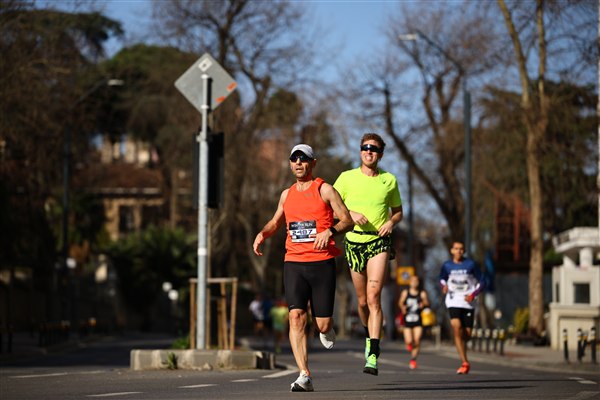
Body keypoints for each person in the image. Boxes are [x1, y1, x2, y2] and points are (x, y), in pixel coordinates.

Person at [253, 143, 354, 392]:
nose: (298, 163)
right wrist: (262, 234)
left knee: (322, 324)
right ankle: (304, 374)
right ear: (290, 164)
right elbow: (275, 221)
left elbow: (347, 220)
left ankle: (326, 329)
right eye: (294, 159)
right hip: (294, 263)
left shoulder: (325, 190)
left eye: (303, 158)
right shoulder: (286, 194)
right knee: (295, 317)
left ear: (313, 163)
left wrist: (329, 231)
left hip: (321, 263)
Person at [333, 133, 403, 376]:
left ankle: (373, 352)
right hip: (354, 242)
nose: (369, 151)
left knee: (374, 297)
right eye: (365, 147)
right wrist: (350, 214)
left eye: (374, 148)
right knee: (362, 301)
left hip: (379, 242)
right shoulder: (346, 178)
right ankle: (367, 334)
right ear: (360, 151)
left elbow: (398, 212)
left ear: (380, 154)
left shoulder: (389, 180)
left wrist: (391, 223)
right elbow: (330, 207)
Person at [439, 240, 485, 375]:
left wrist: (473, 295)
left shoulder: (471, 264)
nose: (458, 251)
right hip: (453, 300)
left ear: (464, 251)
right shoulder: (447, 265)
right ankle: (464, 362)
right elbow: (442, 279)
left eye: (461, 249)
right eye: (456, 248)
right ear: (452, 250)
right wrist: (444, 286)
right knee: (456, 328)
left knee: (467, 335)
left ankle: (463, 350)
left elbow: (482, 281)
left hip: (468, 302)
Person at [398, 275, 430, 370]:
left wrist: (423, 304)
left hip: (418, 319)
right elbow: (400, 302)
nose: (415, 283)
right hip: (407, 320)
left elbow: (427, 303)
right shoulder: (405, 292)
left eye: (416, 281)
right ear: (410, 282)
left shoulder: (422, 293)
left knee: (417, 339)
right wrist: (403, 307)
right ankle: (410, 346)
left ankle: (413, 359)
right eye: (413, 281)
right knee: (409, 341)